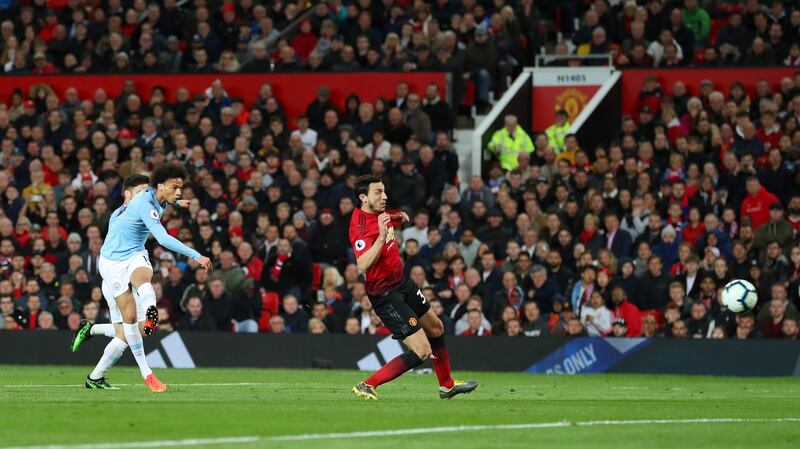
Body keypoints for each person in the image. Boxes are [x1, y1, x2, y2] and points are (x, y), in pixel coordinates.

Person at [349, 175, 477, 400]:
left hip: (403, 283)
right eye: (378, 192)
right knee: (422, 351)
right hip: (385, 294)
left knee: (436, 328)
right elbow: (362, 264)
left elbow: (387, 216)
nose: (384, 196)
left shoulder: (379, 213)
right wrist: (380, 238)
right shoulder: (359, 227)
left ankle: (446, 385)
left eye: (384, 191)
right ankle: (367, 384)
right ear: (363, 197)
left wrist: (398, 216)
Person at [88, 163, 213, 391]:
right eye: (175, 188)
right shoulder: (145, 204)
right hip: (112, 262)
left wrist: (176, 201)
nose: (178, 192)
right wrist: (196, 256)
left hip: (135, 251)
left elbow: (160, 202)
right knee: (128, 320)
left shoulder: (158, 197)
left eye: (180, 188)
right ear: (160, 185)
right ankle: (146, 373)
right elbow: (163, 240)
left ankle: (150, 313)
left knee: (145, 277)